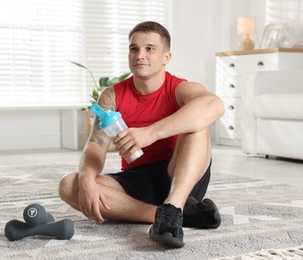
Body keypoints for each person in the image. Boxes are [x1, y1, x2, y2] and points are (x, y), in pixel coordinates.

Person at [58, 21, 225, 248]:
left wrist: (150, 133)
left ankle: (175, 203)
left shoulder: (180, 89)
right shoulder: (111, 96)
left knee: (198, 122)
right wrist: (86, 179)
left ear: (166, 57)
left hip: (180, 175)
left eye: (149, 48)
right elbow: (95, 147)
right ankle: (173, 214)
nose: (140, 55)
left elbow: (215, 105)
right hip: (136, 179)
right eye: (134, 48)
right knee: (69, 185)